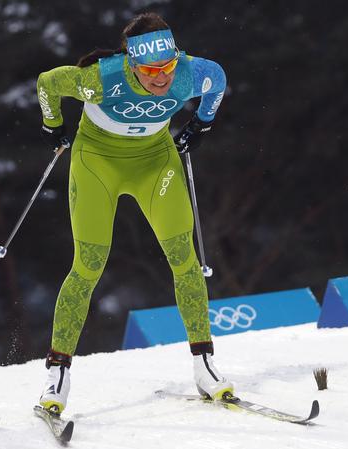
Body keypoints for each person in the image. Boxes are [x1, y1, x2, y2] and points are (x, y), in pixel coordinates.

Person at [35, 12, 232, 415]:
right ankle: (57, 375)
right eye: (149, 70)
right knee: (88, 266)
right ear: (131, 62)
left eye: (167, 68)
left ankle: (204, 365)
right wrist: (53, 125)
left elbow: (219, 82)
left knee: (185, 259)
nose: (161, 79)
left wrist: (201, 124)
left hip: (155, 163)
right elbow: (48, 83)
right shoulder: (101, 78)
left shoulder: (193, 73)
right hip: (97, 163)